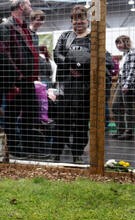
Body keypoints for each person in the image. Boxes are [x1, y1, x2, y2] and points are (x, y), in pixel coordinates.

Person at [0, 0, 40, 157]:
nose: (31, 8)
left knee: (30, 113)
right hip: (16, 80)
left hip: (28, 80)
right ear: (21, 7)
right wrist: (16, 77)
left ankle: (28, 148)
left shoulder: (24, 28)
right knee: (12, 115)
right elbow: (4, 54)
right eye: (29, 5)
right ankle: (14, 149)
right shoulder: (6, 26)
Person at [51, 5, 91, 163]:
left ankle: (77, 153)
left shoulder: (94, 37)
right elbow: (56, 54)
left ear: (87, 20)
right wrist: (70, 65)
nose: (78, 22)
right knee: (61, 121)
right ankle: (56, 153)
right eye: (75, 19)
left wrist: (82, 68)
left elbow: (96, 58)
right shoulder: (65, 36)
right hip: (65, 86)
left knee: (81, 122)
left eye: (81, 18)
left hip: (84, 87)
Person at [111, 35, 135, 140]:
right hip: (121, 83)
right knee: (115, 106)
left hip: (129, 85)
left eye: (120, 43)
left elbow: (132, 71)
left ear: (126, 43)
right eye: (117, 43)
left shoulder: (132, 53)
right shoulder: (125, 54)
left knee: (129, 109)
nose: (118, 45)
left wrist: (127, 85)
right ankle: (121, 130)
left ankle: (129, 133)